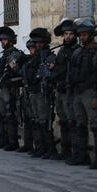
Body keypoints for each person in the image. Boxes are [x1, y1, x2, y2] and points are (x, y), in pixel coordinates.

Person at [68, 17, 97, 169]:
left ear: (92, 35)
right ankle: (81, 155)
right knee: (79, 125)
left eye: (85, 34)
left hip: (90, 93)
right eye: (80, 35)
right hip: (77, 93)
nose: (82, 37)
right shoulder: (77, 52)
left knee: (96, 126)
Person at [51, 18, 80, 161]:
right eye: (66, 34)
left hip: (72, 92)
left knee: (72, 121)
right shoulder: (62, 50)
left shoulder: (77, 51)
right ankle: (65, 150)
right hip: (61, 90)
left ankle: (76, 153)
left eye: (70, 34)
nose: (68, 36)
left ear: (75, 35)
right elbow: (58, 68)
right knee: (63, 121)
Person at [0, 26, 24, 151]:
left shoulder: (15, 54)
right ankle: (3, 140)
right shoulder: (4, 55)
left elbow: (17, 72)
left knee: (10, 115)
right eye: (1, 40)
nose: (2, 42)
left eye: (4, 40)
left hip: (10, 89)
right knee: (1, 115)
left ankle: (12, 141)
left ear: (11, 40)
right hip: (2, 88)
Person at [27, 28, 57, 159]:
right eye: (36, 43)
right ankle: (40, 147)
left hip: (43, 93)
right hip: (34, 91)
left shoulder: (49, 57)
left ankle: (50, 149)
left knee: (45, 122)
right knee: (37, 121)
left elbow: (46, 75)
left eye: (40, 42)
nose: (38, 45)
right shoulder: (34, 58)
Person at [17, 40, 38, 154]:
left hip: (36, 92)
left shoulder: (39, 61)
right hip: (26, 92)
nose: (31, 51)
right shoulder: (28, 61)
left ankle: (39, 146)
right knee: (27, 119)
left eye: (33, 48)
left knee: (37, 119)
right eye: (29, 49)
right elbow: (21, 73)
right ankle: (28, 144)